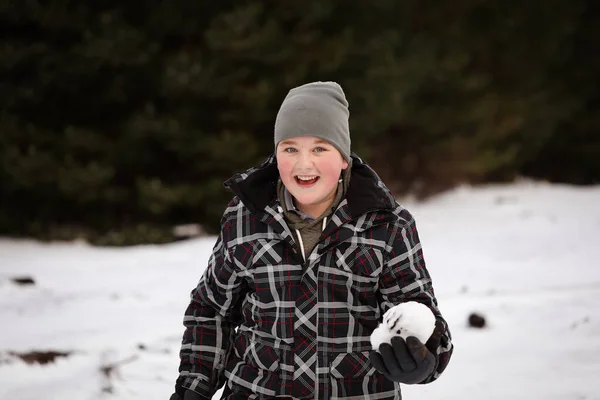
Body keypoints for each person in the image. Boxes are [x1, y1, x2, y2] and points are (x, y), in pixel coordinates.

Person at [170, 82, 453, 400]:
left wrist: (425, 359)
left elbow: (419, 311)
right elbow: (211, 310)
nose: (304, 164)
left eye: (320, 148)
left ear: (344, 158)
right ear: (276, 155)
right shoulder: (245, 216)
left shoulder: (388, 224)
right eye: (290, 149)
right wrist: (194, 386)